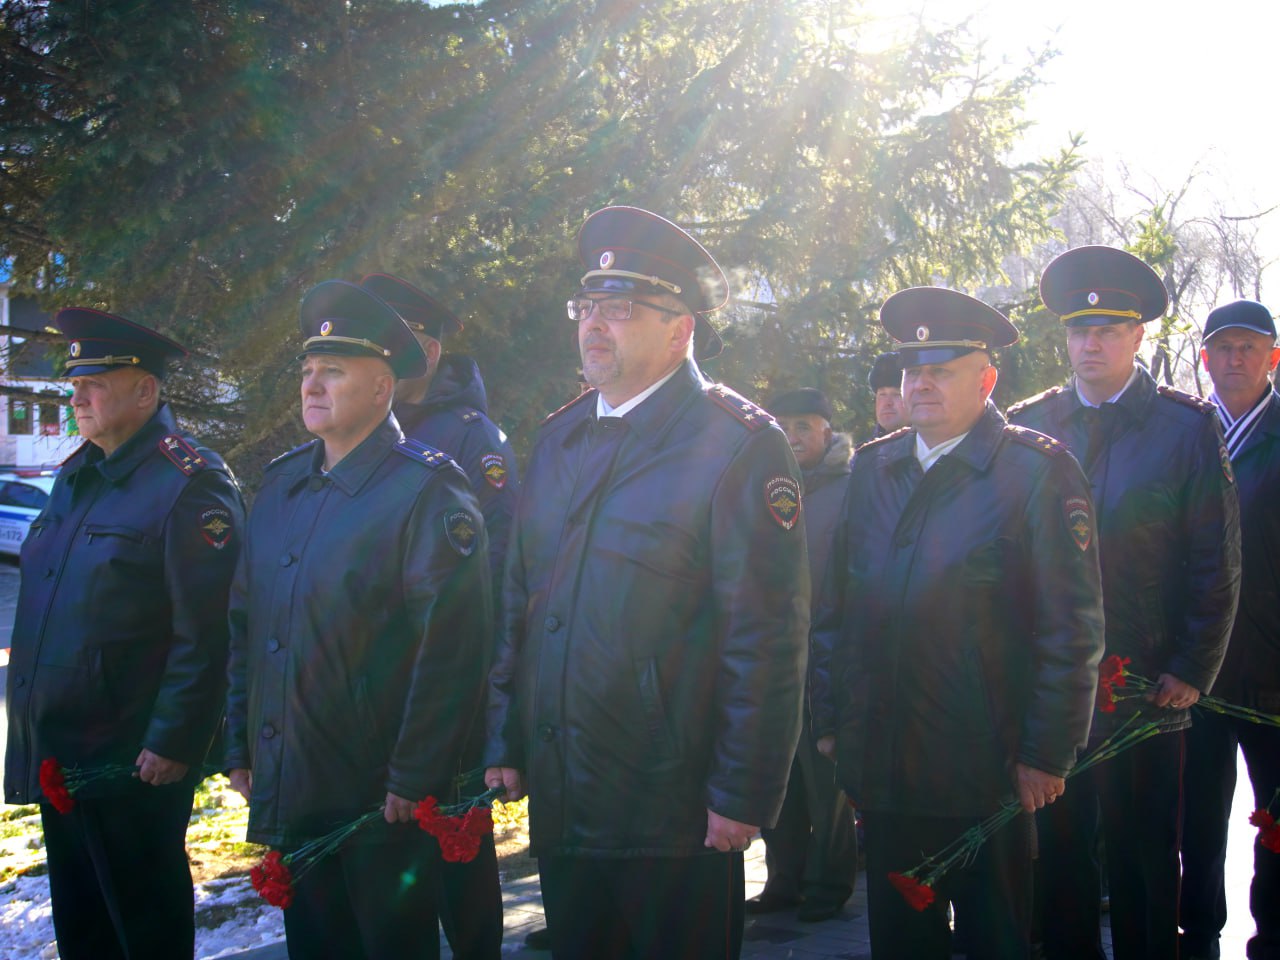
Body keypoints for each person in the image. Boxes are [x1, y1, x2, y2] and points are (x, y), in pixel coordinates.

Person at [483, 205, 810, 960]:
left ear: (680, 328)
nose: (596, 325)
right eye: (587, 307)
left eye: (621, 309)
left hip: (676, 806)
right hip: (569, 793)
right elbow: (521, 600)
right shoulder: (560, 437)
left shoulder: (738, 446)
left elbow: (766, 636)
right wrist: (506, 731)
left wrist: (744, 792)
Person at [810, 286, 1105, 959]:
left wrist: (1046, 753)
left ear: (987, 379)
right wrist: (830, 722)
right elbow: (834, 611)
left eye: (941, 371)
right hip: (887, 768)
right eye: (913, 371)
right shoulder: (874, 469)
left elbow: (1072, 627)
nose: (922, 385)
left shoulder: (1037, 472)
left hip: (988, 771)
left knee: (995, 938)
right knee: (900, 940)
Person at [224, 280, 493, 960]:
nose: (312, 386)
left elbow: (453, 650)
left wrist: (414, 773)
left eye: (334, 372)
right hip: (297, 776)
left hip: (380, 796)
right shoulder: (283, 484)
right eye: (308, 371)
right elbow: (248, 625)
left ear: (381, 388)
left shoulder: (427, 489)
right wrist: (243, 744)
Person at [1008, 245, 1242, 960]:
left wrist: (1193, 666)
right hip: (1055, 687)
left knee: (1145, 856)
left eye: (1108, 329)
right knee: (1062, 854)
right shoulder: (1028, 426)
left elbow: (1216, 560)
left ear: (1139, 336)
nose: (1091, 344)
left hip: (1148, 684)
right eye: (1079, 331)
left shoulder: (1185, 428)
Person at [4, 309, 244, 960]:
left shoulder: (189, 483)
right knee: (85, 934)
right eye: (74, 380)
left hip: (132, 758)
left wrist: (174, 741)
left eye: (96, 380)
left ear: (146, 390)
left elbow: (210, 631)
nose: (77, 395)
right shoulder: (77, 474)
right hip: (65, 748)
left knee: (143, 932)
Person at [361, 272, 515, 959]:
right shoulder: (367, 426)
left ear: (425, 349)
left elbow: (501, 565)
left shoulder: (471, 436)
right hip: (378, 688)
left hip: (449, 685)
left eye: (396, 338)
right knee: (395, 866)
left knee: (459, 862)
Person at [1180, 299, 1280, 960]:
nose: (1235, 359)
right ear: (1205, 357)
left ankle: (1271, 938)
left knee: (1274, 822)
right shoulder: (1184, 433)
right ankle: (1196, 933)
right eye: (1223, 348)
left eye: (1249, 347)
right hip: (1194, 667)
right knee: (1195, 818)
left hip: (1273, 668)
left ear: (1272, 357)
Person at [746, 387, 857, 922]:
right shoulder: (767, 486)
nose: (792, 437)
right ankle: (782, 881)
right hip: (774, 655)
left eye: (804, 426)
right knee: (780, 776)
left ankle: (827, 885)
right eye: (784, 426)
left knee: (825, 781)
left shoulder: (853, 488)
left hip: (827, 655)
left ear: (828, 432)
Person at [868, 351, 908, 436]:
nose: (887, 403)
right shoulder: (866, 449)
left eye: (897, 394)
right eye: (882, 394)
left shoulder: (924, 447)